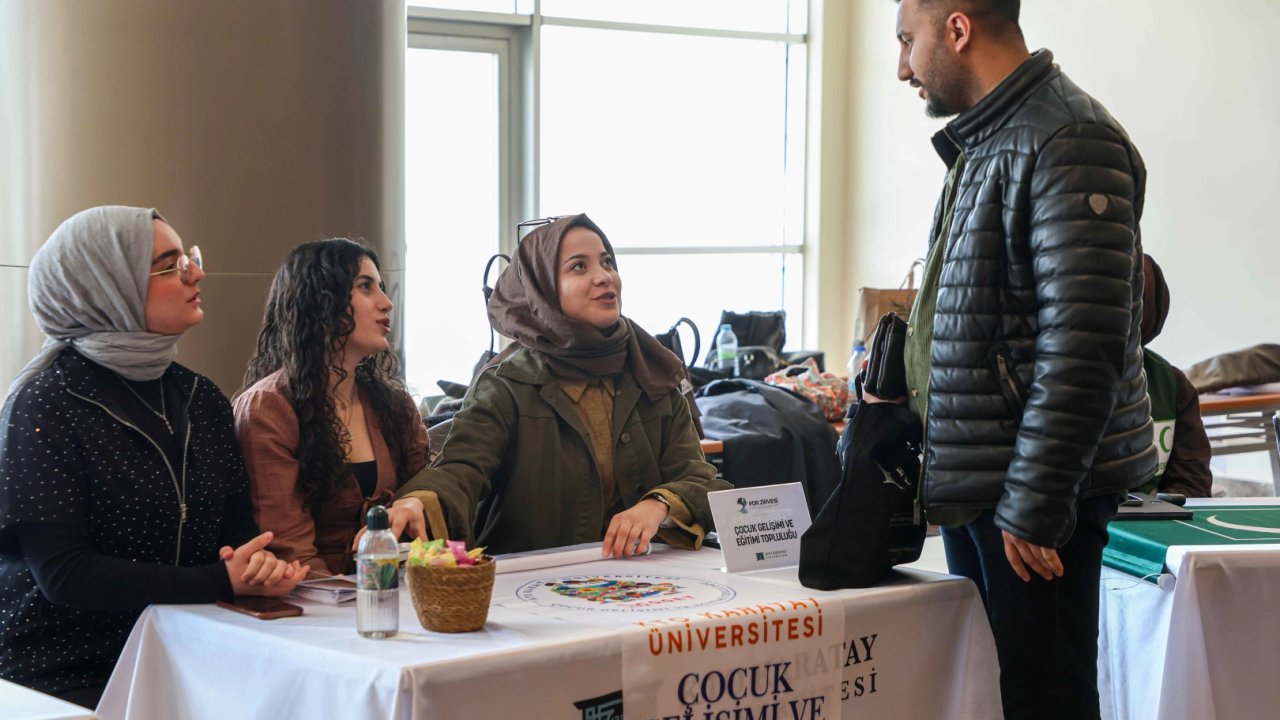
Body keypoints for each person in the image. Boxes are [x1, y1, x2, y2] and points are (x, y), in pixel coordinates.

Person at [889, 2, 1157, 718]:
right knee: (994, 700)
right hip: (985, 484)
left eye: (908, 42)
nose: (903, 68)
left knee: (1042, 703)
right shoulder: (992, 140)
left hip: (1030, 495)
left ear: (957, 30)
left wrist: (1036, 503)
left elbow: (1086, 343)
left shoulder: (1070, 137)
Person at [0, 206, 303, 708]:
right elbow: (65, 574)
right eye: (169, 265)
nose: (195, 274)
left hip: (191, 653)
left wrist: (259, 566)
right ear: (105, 285)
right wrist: (219, 580)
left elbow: (237, 536)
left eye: (190, 258)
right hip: (67, 672)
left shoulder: (201, 399)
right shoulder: (45, 403)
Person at [384, 214, 729, 557]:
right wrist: (418, 501)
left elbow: (702, 481)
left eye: (607, 262)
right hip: (532, 581)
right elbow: (460, 469)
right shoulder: (506, 384)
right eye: (579, 267)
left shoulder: (652, 370)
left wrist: (659, 505)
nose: (603, 276)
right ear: (543, 289)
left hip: (645, 580)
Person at [235, 239, 430, 576]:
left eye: (382, 287)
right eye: (365, 286)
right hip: (313, 597)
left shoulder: (394, 404)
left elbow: (424, 505)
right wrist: (362, 599)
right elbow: (292, 555)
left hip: (393, 589)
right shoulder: (269, 408)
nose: (386, 303)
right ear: (320, 300)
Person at [1138, 253, 1212, 497]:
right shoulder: (1052, 380)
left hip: (1154, 516)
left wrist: (1158, 511)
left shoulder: (1172, 384)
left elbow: (1192, 482)